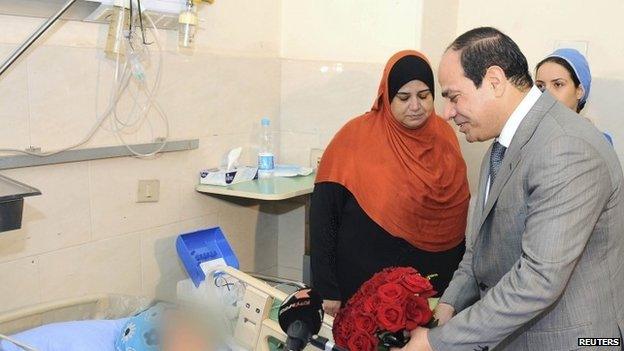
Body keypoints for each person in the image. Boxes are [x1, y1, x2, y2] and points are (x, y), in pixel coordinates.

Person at [396, 27, 624, 351]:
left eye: (453, 96)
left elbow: (538, 280)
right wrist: (447, 308)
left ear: (494, 81)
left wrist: (436, 342)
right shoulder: (501, 144)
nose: (446, 113)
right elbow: (480, 249)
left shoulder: (566, 147)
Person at [310, 50, 471, 317]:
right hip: (365, 290)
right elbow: (323, 217)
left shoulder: (445, 136)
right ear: (387, 96)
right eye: (404, 98)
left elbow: (457, 210)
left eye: (423, 96)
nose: (416, 106)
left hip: (434, 289)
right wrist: (327, 288)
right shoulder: (354, 138)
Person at [535, 48, 613, 144]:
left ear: (579, 91)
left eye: (558, 84)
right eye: (540, 86)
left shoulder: (598, 143)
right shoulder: (526, 139)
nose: (546, 93)